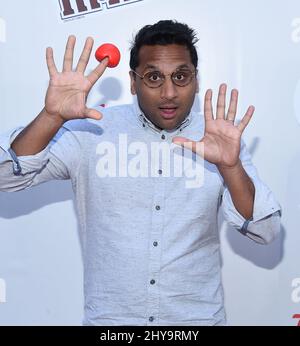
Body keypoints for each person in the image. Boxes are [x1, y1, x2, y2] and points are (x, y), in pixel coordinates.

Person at [0, 20, 281, 326]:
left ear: (196, 80)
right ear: (133, 82)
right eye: (153, 78)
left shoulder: (219, 137)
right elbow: (6, 176)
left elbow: (265, 232)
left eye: (181, 77)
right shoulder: (92, 130)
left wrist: (230, 167)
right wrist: (51, 117)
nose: (169, 92)